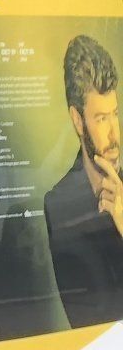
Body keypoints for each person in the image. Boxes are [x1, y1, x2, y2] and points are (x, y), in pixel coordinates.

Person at [44, 35, 123, 330]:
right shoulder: (60, 203)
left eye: (115, 114)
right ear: (78, 121)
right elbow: (89, 318)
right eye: (101, 119)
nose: (115, 132)